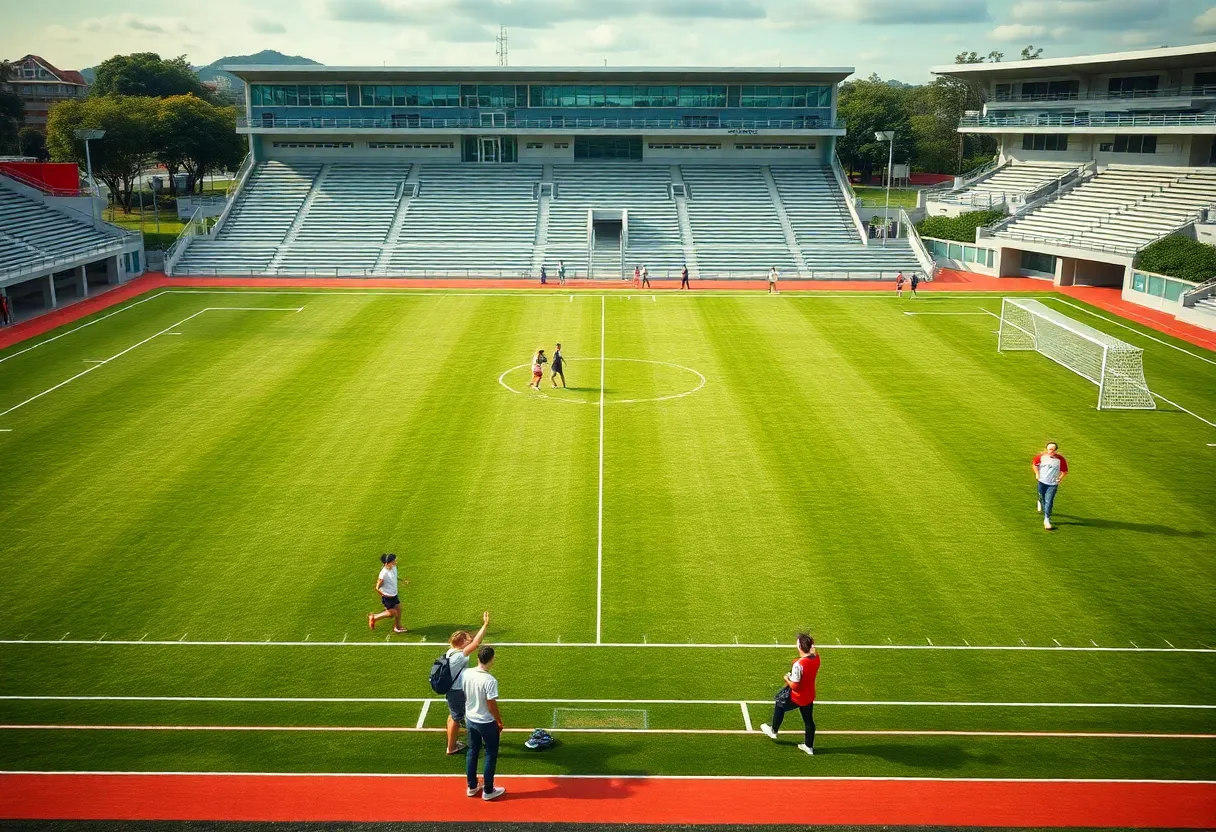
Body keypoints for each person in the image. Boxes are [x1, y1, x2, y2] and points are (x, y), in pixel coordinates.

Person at [759, 633, 819, 756]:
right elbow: (813, 653)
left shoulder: (799, 665)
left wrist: (787, 678)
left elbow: (796, 685)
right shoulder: (816, 658)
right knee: (808, 721)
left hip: (798, 695)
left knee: (779, 703)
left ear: (800, 647)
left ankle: (773, 730)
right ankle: (809, 746)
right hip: (809, 694)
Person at [444, 611, 491, 756]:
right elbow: (477, 643)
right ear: (461, 642)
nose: (469, 640)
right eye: (467, 639)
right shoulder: (459, 655)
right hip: (456, 691)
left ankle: (452, 742)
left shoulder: (450, 652)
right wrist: (485, 625)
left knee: (453, 716)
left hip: (454, 690)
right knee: (456, 719)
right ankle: (451, 747)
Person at [463, 645, 506, 801]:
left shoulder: (467, 673)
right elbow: (491, 704)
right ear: (492, 660)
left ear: (478, 658)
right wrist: (499, 721)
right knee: (490, 754)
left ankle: (472, 786)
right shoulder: (490, 680)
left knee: (472, 752)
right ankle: (488, 790)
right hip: (486, 722)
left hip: (470, 719)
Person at [368, 553, 408, 634]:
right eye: (393, 561)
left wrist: (402, 580)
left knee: (399, 609)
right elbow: (377, 587)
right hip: (388, 597)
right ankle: (374, 617)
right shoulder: (383, 574)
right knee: (393, 613)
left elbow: (394, 576)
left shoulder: (393, 567)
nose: (395, 562)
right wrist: (383, 594)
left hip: (394, 594)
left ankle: (397, 627)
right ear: (387, 564)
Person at [1033, 442, 1068, 531]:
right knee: (1043, 497)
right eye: (1049, 449)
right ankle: (1040, 500)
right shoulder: (1041, 457)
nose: (1051, 451)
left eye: (1052, 449)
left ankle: (1047, 519)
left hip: (1052, 484)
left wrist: (1060, 478)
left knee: (1049, 501)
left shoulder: (1060, 460)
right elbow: (1034, 464)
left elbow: (1064, 471)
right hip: (1041, 482)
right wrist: (1037, 474)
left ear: (1056, 450)